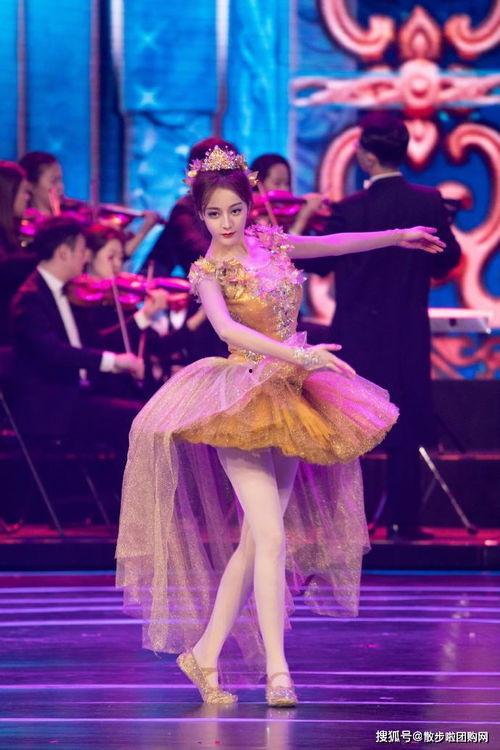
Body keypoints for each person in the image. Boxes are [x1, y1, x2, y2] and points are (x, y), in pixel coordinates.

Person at [115, 145, 445, 707]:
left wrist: (398, 236)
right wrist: (300, 355)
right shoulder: (207, 270)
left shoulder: (270, 242)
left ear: (249, 206)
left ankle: (204, 654)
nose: (226, 223)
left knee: (255, 543)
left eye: (235, 210)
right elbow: (228, 330)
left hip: (290, 395)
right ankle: (277, 671)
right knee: (271, 536)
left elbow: (333, 244)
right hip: (239, 397)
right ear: (200, 215)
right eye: (214, 214)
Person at [303, 112, 462, 541]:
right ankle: (402, 524)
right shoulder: (428, 201)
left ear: (368, 157)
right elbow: (448, 260)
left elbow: (320, 264)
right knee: (403, 424)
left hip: (355, 333)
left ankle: (341, 526)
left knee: (344, 424)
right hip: (406, 331)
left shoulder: (350, 208)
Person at [19, 151, 160, 258]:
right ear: (30, 185)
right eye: (53, 181)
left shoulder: (73, 216)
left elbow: (117, 255)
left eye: (60, 180)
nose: (60, 187)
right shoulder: (26, 228)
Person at [0, 162, 36, 343]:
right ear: (8, 194)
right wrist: (45, 254)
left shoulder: (12, 231)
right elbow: (7, 270)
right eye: (23, 191)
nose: (27, 197)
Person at [250, 152, 328, 235]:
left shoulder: (292, 214)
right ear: (259, 183)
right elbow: (285, 243)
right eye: (277, 183)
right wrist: (302, 219)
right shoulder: (254, 218)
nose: (284, 189)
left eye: (287, 183)